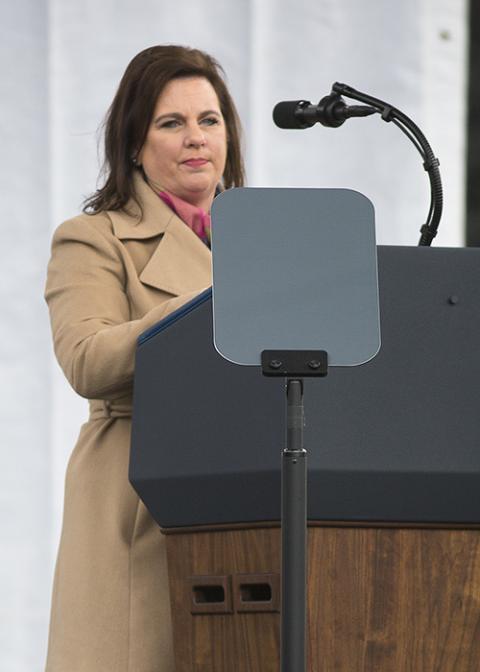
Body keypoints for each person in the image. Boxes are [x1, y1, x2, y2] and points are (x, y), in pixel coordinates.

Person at [44, 45, 245, 671]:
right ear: (134, 143)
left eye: (209, 121)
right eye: (171, 123)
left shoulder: (260, 239)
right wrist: (208, 303)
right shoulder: (93, 237)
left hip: (250, 493)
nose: (196, 139)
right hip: (140, 501)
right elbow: (85, 360)